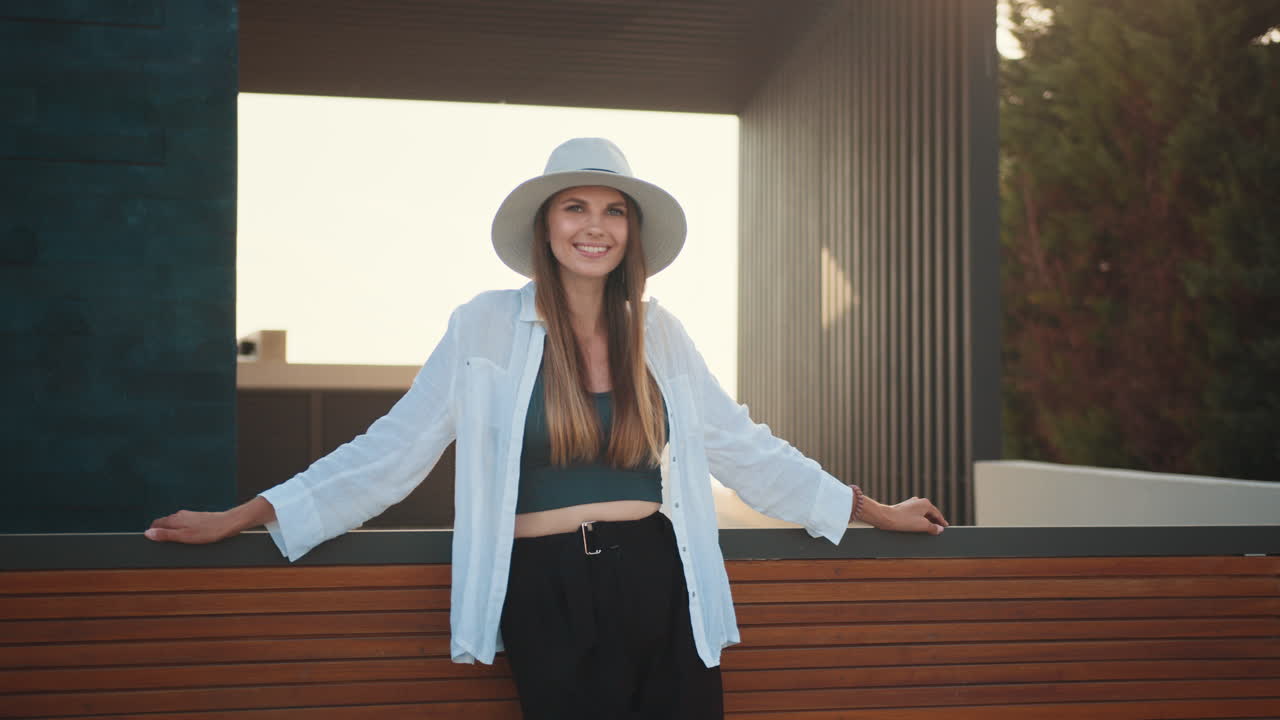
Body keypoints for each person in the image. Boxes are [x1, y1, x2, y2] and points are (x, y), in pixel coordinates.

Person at [146, 137, 949, 718]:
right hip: (548, 590)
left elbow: (742, 445)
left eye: (612, 211)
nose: (593, 225)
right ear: (548, 225)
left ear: (631, 233)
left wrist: (869, 510)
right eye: (575, 207)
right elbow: (395, 448)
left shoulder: (658, 332)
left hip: (662, 580)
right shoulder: (485, 327)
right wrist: (249, 514)